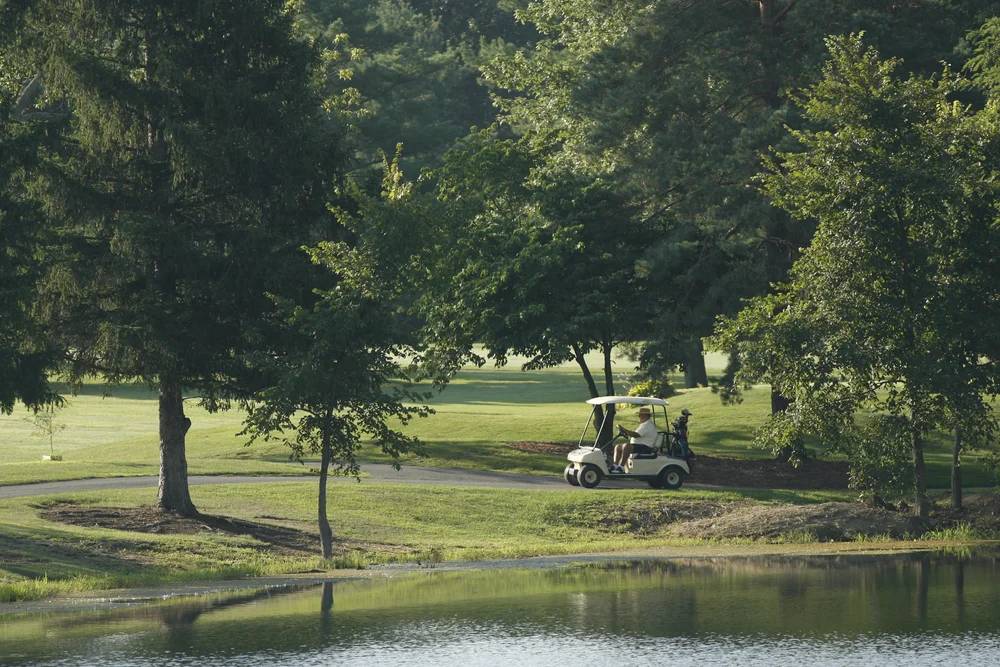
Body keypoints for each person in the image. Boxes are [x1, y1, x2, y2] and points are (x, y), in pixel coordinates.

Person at [611, 407, 658, 472]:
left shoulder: (648, 425)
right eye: (639, 415)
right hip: (640, 446)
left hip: (646, 447)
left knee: (627, 446)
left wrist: (624, 430)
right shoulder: (644, 424)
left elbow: (636, 435)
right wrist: (624, 431)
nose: (639, 417)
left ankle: (621, 467)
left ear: (646, 416)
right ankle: (615, 466)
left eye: (640, 415)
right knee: (618, 446)